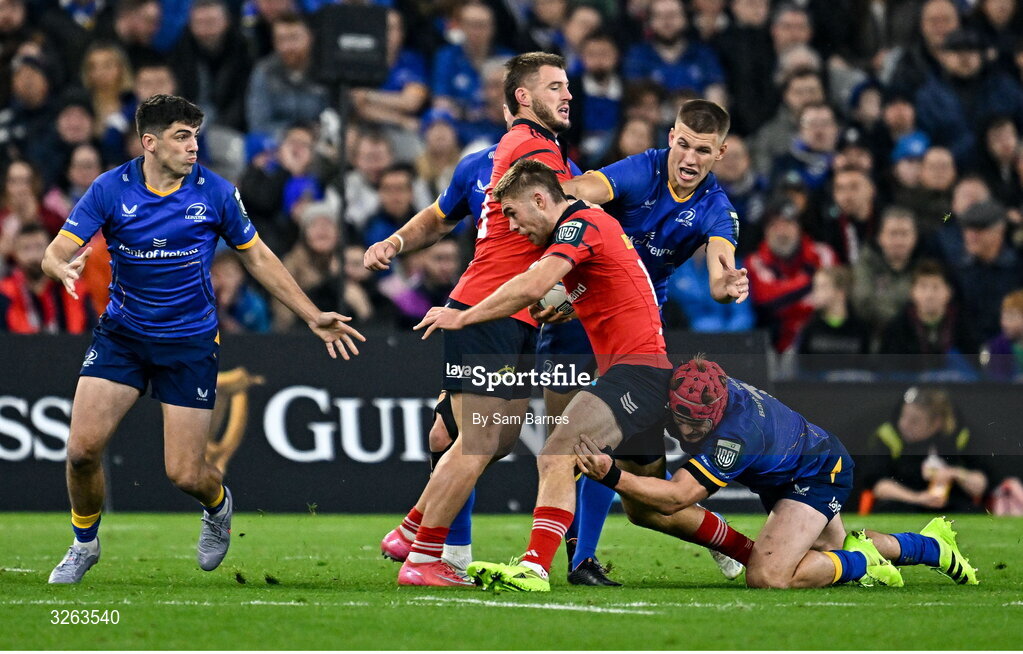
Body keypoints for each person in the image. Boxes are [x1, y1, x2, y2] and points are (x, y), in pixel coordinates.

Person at [42, 94, 365, 584]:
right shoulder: (110, 189)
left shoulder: (215, 192)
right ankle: (84, 543)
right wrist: (59, 265)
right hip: (122, 337)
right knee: (81, 450)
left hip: (189, 344)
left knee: (186, 475)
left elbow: (257, 258)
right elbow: (57, 250)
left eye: (195, 134)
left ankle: (217, 506)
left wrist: (312, 314)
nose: (194, 145)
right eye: (181, 135)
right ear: (149, 143)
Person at [428, 159, 752, 593]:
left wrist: (465, 318)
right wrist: (565, 307)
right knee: (645, 504)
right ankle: (748, 550)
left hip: (635, 372)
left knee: (557, 453)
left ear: (540, 200)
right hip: (643, 371)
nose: (511, 225)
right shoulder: (587, 229)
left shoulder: (581, 224)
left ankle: (534, 567)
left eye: (512, 213)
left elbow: (530, 284)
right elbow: (610, 288)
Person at [370, 52, 577, 588]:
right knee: (477, 438)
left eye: (567, 85)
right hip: (488, 307)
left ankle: (412, 527)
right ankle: (422, 557)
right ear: (523, 97)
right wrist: (396, 241)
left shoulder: (548, 155)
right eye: (555, 86)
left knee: (499, 436)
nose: (568, 94)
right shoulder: (524, 153)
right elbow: (441, 218)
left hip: (518, 314)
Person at [573, 356, 980, 589]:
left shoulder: (736, 433)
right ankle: (930, 546)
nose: (688, 430)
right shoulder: (694, 389)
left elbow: (678, 496)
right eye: (681, 418)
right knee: (822, 556)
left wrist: (612, 476)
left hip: (817, 473)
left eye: (700, 423)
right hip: (788, 469)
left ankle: (862, 561)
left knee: (769, 576)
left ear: (718, 410)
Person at [859, 387, 990, 514]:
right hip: (904, 505)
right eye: (903, 416)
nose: (904, 424)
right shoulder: (888, 436)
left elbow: (979, 485)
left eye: (914, 421)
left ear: (936, 422)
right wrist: (919, 498)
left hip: (949, 508)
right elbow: (879, 486)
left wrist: (954, 473)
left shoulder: (959, 437)